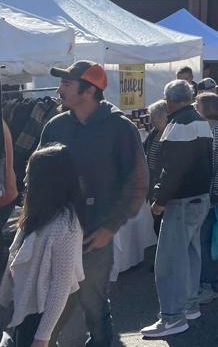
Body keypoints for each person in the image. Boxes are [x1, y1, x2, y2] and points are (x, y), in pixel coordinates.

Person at [42, 61, 148, 346]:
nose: (59, 89)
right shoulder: (55, 125)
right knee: (52, 306)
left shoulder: (120, 128)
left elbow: (137, 184)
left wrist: (110, 228)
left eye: (66, 84)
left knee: (94, 305)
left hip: (94, 236)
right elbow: (39, 175)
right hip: (56, 232)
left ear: (89, 91)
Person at [142, 80, 211, 338]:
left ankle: (171, 317)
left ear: (169, 100)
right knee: (191, 255)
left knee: (169, 262)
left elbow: (172, 170)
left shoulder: (178, 124)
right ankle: (190, 305)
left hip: (181, 200)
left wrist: (159, 200)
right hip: (199, 197)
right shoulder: (200, 120)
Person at [0, 145, 84, 347]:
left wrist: (43, 336)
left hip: (44, 308)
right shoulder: (36, 212)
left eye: (30, 175)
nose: (25, 180)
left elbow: (60, 286)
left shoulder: (65, 225)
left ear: (47, 181)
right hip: (25, 303)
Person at [193, 93, 218, 305]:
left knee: (207, 242)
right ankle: (206, 283)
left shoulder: (215, 131)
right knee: (207, 241)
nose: (194, 106)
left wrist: (216, 195)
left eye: (196, 104)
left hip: (215, 197)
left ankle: (210, 286)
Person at [144, 100, 168, 235]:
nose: (151, 120)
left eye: (153, 116)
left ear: (162, 116)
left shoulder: (171, 133)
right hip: (152, 181)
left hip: (163, 183)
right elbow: (144, 149)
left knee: (162, 223)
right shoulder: (154, 132)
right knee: (156, 221)